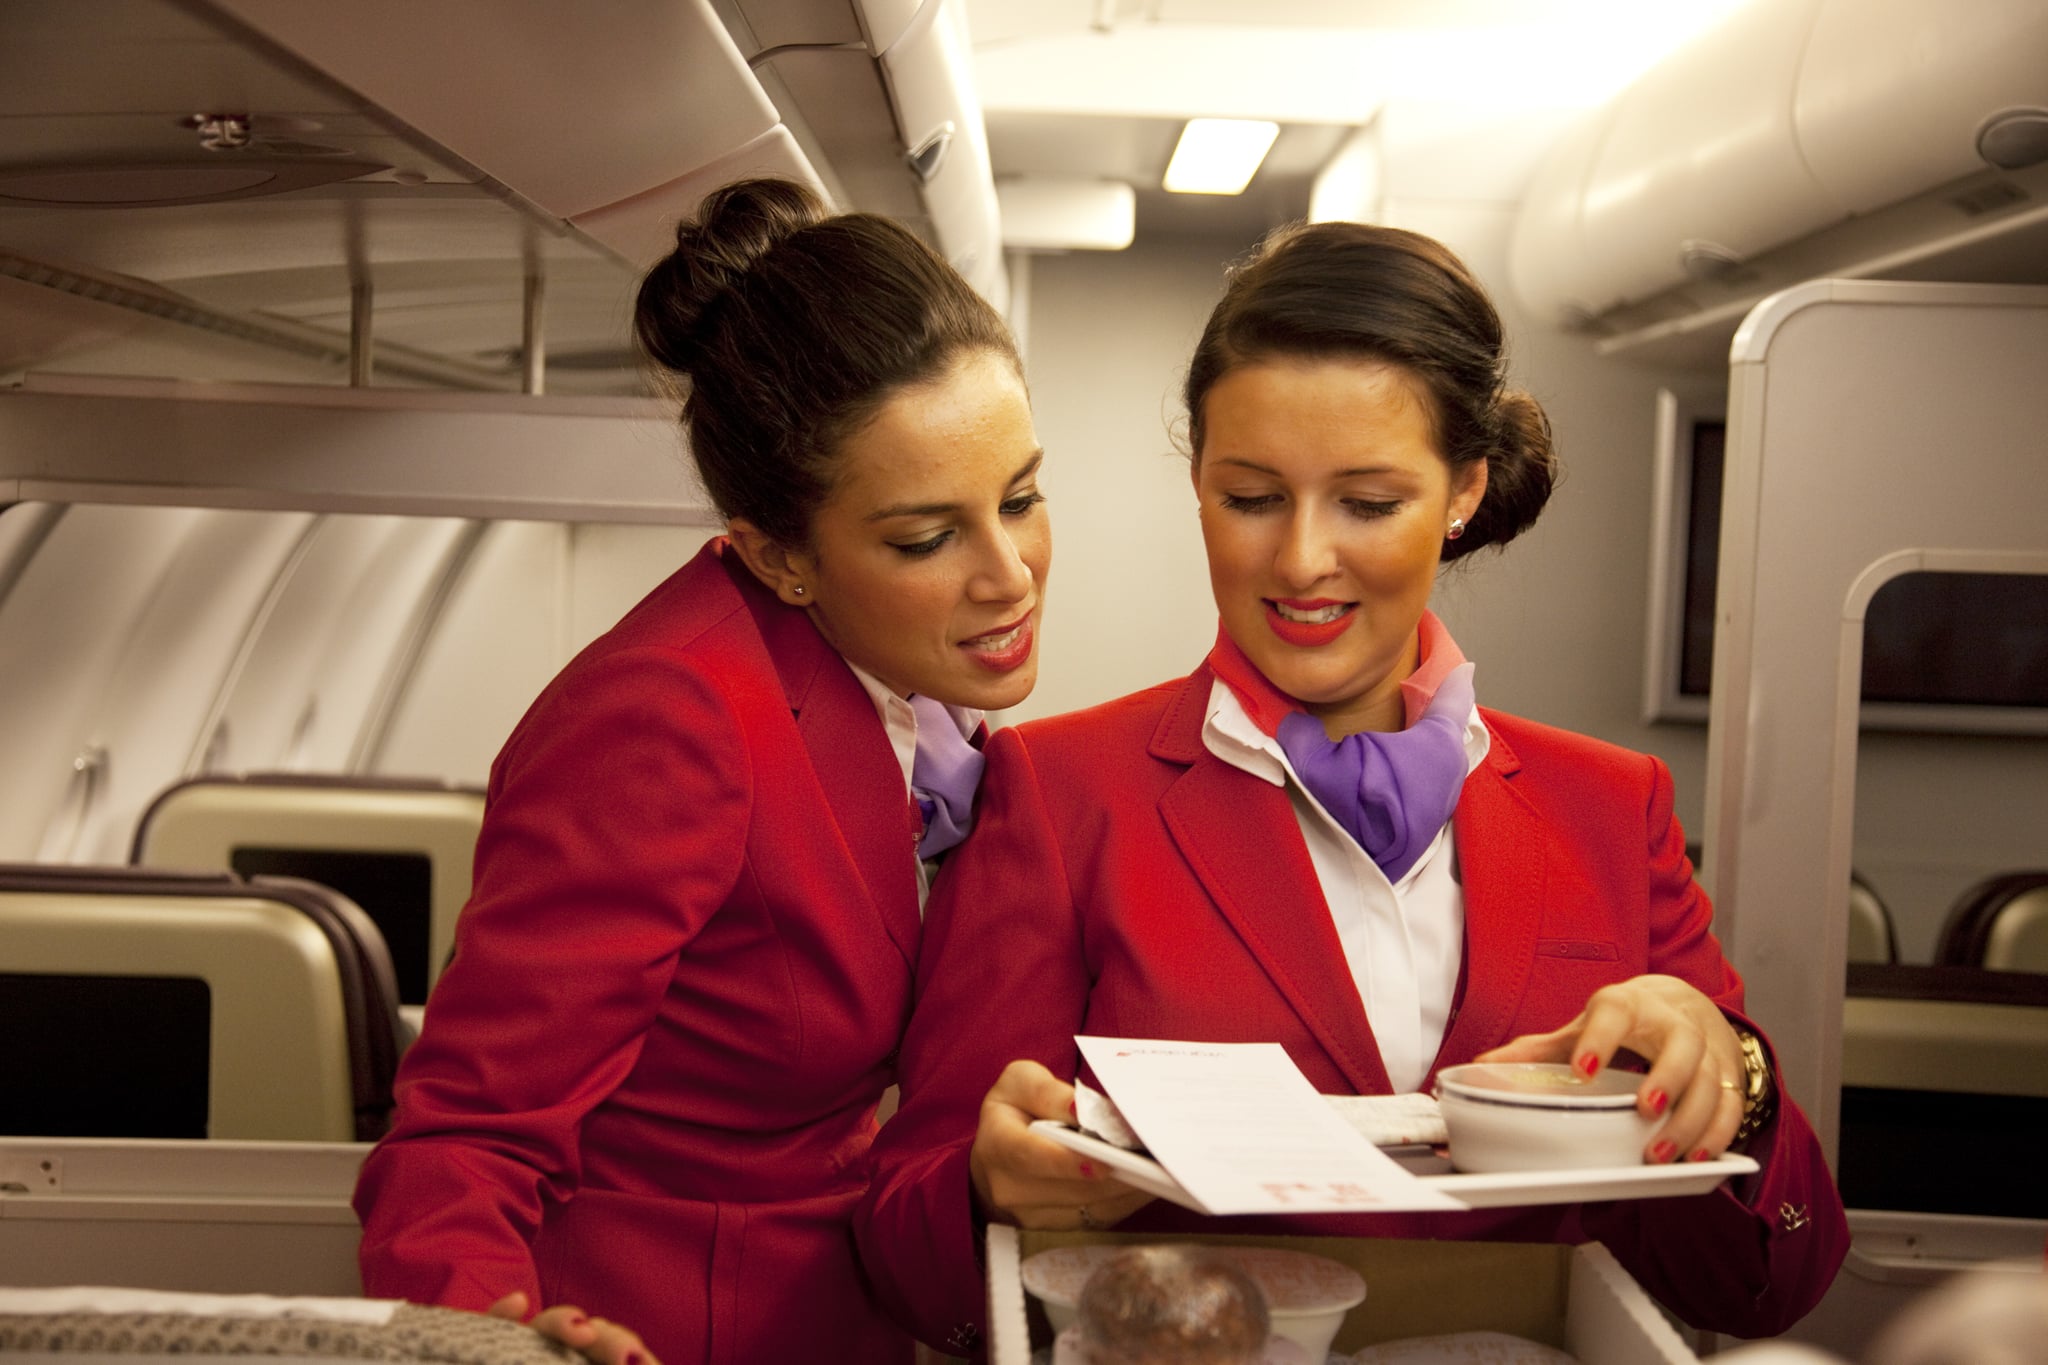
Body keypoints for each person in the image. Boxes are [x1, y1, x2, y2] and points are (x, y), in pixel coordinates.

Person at [855, 220, 1847, 1354]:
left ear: (1463, 492)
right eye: (1251, 498)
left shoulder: (1609, 810)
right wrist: (988, 1189)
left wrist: (1739, 1076)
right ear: (1196, 486)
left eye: (1367, 505)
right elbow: (901, 1239)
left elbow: (1771, 1287)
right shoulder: (1061, 792)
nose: (1300, 561)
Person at [352, 177, 1049, 1365]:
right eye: (926, 538)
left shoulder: (891, 687)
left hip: (835, 1314)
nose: (1009, 574)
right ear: (779, 554)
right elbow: (464, 1134)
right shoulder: (663, 718)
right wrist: (479, 1342)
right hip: (656, 1332)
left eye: (1022, 498)